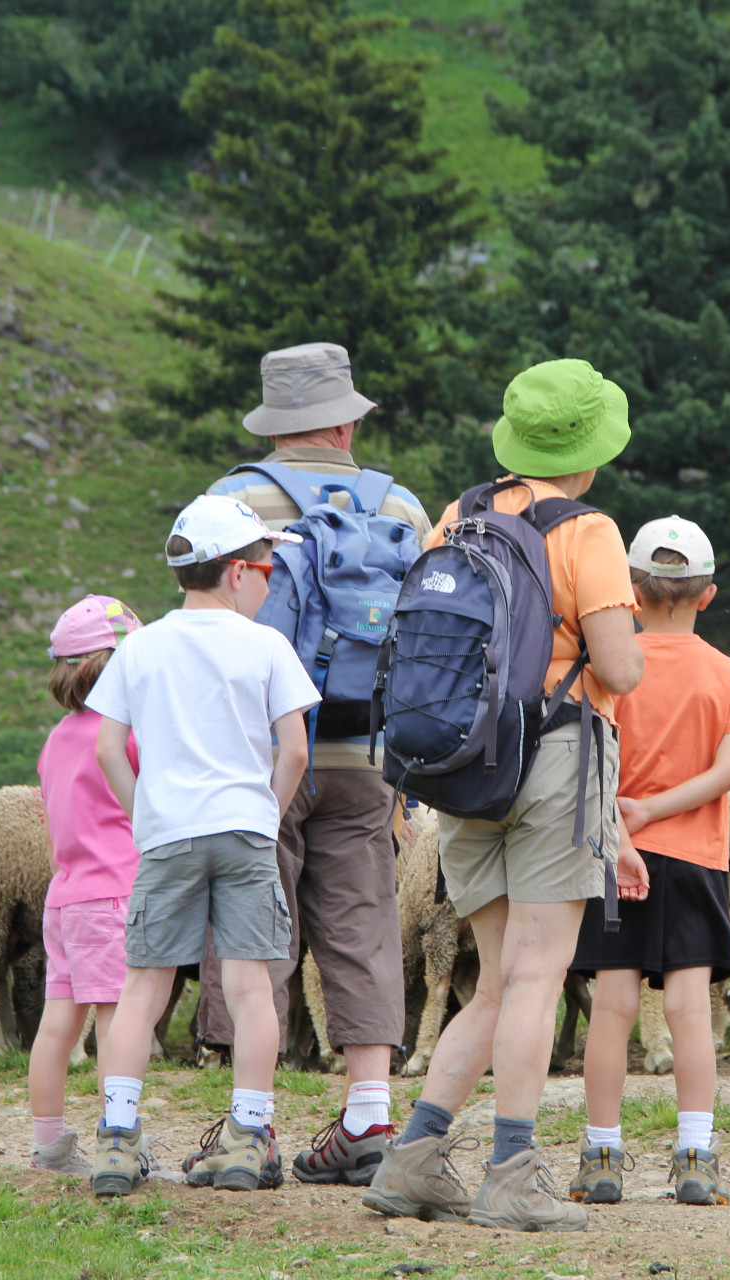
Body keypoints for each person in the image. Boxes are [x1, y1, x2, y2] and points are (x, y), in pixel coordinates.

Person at [362, 358, 648, 1233]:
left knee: (493, 982)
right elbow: (623, 668)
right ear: (589, 454)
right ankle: (515, 1173)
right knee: (535, 976)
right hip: (555, 762)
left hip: (462, 763)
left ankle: (412, 1159)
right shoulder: (589, 531)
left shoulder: (461, 513)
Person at [200, 342, 432, 1185]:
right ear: (343, 422)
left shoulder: (231, 499)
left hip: (260, 755)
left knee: (253, 924)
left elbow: (201, 627)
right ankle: (369, 1116)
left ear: (277, 424)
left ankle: (247, 1123)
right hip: (367, 750)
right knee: (364, 919)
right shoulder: (402, 505)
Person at [82, 495, 321, 1198]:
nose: (271, 579)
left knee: (143, 987)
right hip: (244, 831)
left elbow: (106, 747)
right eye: (269, 566)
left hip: (168, 835)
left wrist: (144, 816)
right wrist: (266, 816)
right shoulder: (266, 645)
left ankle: (118, 1140)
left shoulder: (142, 645)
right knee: (250, 988)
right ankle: (249, 1136)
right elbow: (297, 752)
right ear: (238, 573)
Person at [565, 517, 730, 1208]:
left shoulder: (609, 669)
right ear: (708, 596)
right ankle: (697, 1155)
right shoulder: (728, 674)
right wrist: (662, 811)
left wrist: (631, 814)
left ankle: (602, 1154)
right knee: (688, 1010)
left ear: (630, 592)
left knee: (611, 1008)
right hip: (696, 859)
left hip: (615, 854)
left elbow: (588, 756)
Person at [28, 594, 145, 1175]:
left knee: (57, 1024)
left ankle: (48, 1142)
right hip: (113, 895)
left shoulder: (55, 739)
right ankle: (118, 1140)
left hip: (65, 895)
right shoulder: (125, 734)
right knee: (115, 1022)